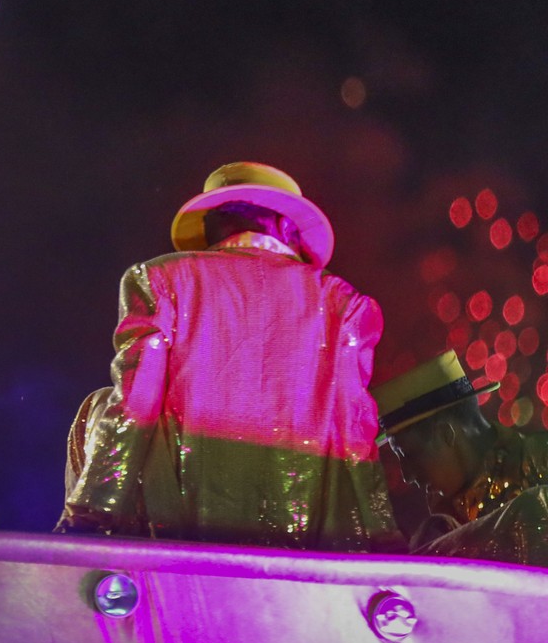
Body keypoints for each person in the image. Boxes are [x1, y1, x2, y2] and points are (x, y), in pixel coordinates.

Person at [58, 162, 402, 551]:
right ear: (287, 227)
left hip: (175, 527)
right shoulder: (344, 305)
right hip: (301, 536)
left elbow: (135, 407)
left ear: (211, 225)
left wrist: (89, 517)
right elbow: (355, 434)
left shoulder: (160, 279)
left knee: (99, 406)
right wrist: (380, 540)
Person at [373, 350, 548, 565]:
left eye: (409, 454)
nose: (407, 475)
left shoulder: (540, 459)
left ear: (446, 434)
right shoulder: (441, 522)